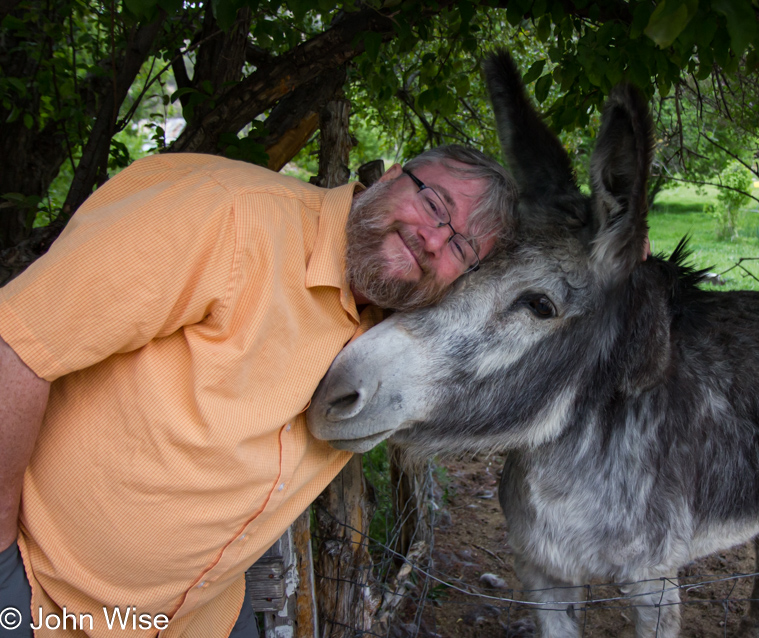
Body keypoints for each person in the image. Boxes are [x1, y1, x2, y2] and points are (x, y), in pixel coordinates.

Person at [0, 147, 516, 638]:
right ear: (388, 177)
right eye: (434, 204)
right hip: (39, 596)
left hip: (202, 617)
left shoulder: (397, 338)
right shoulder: (226, 212)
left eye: (461, 248)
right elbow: (17, 345)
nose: (433, 240)